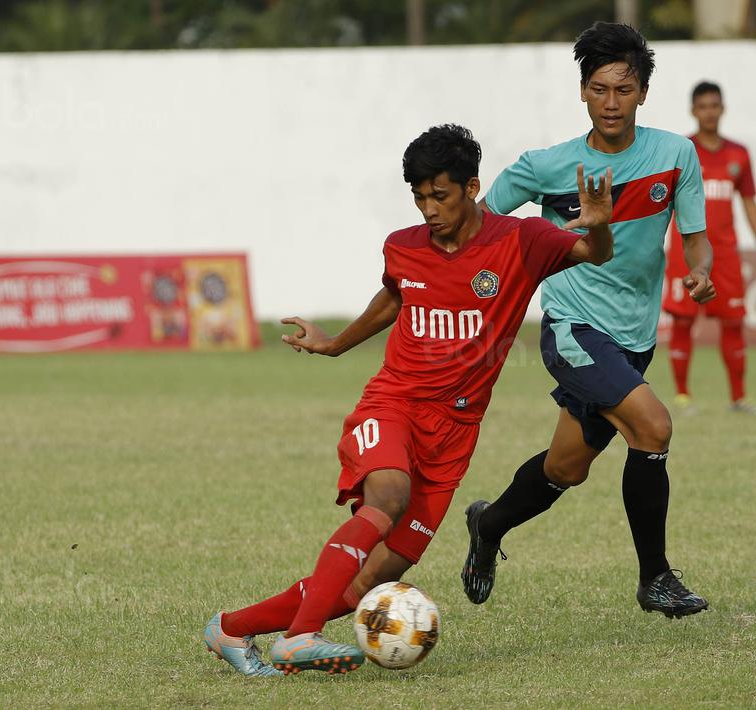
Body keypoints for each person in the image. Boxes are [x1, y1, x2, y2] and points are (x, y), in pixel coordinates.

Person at [202, 124, 614, 677]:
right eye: (418, 197)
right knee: (388, 494)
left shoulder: (524, 240)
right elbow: (394, 296)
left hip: (454, 435)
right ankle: (300, 636)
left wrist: (601, 223)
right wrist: (334, 345)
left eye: (439, 195)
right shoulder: (402, 246)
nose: (428, 209)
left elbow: (594, 253)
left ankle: (230, 629)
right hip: (392, 403)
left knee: (367, 582)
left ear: (472, 187)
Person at [462, 22, 715, 619]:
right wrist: (477, 287)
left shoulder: (676, 155)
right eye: (599, 89)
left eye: (622, 90)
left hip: (635, 335)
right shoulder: (546, 166)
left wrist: (699, 272)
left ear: (643, 93)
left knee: (566, 468)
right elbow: (479, 224)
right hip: (572, 327)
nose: (610, 102)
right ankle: (655, 579)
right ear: (582, 91)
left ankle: (488, 524)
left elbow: (696, 241)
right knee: (652, 428)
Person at [662, 81, 756, 414]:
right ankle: (682, 396)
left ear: (723, 108)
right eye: (703, 106)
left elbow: (749, 202)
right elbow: (661, 201)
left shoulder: (739, 154)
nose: (709, 112)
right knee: (682, 322)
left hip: (725, 253)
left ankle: (738, 398)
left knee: (734, 322)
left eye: (715, 105)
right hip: (685, 252)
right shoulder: (681, 150)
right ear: (693, 111)